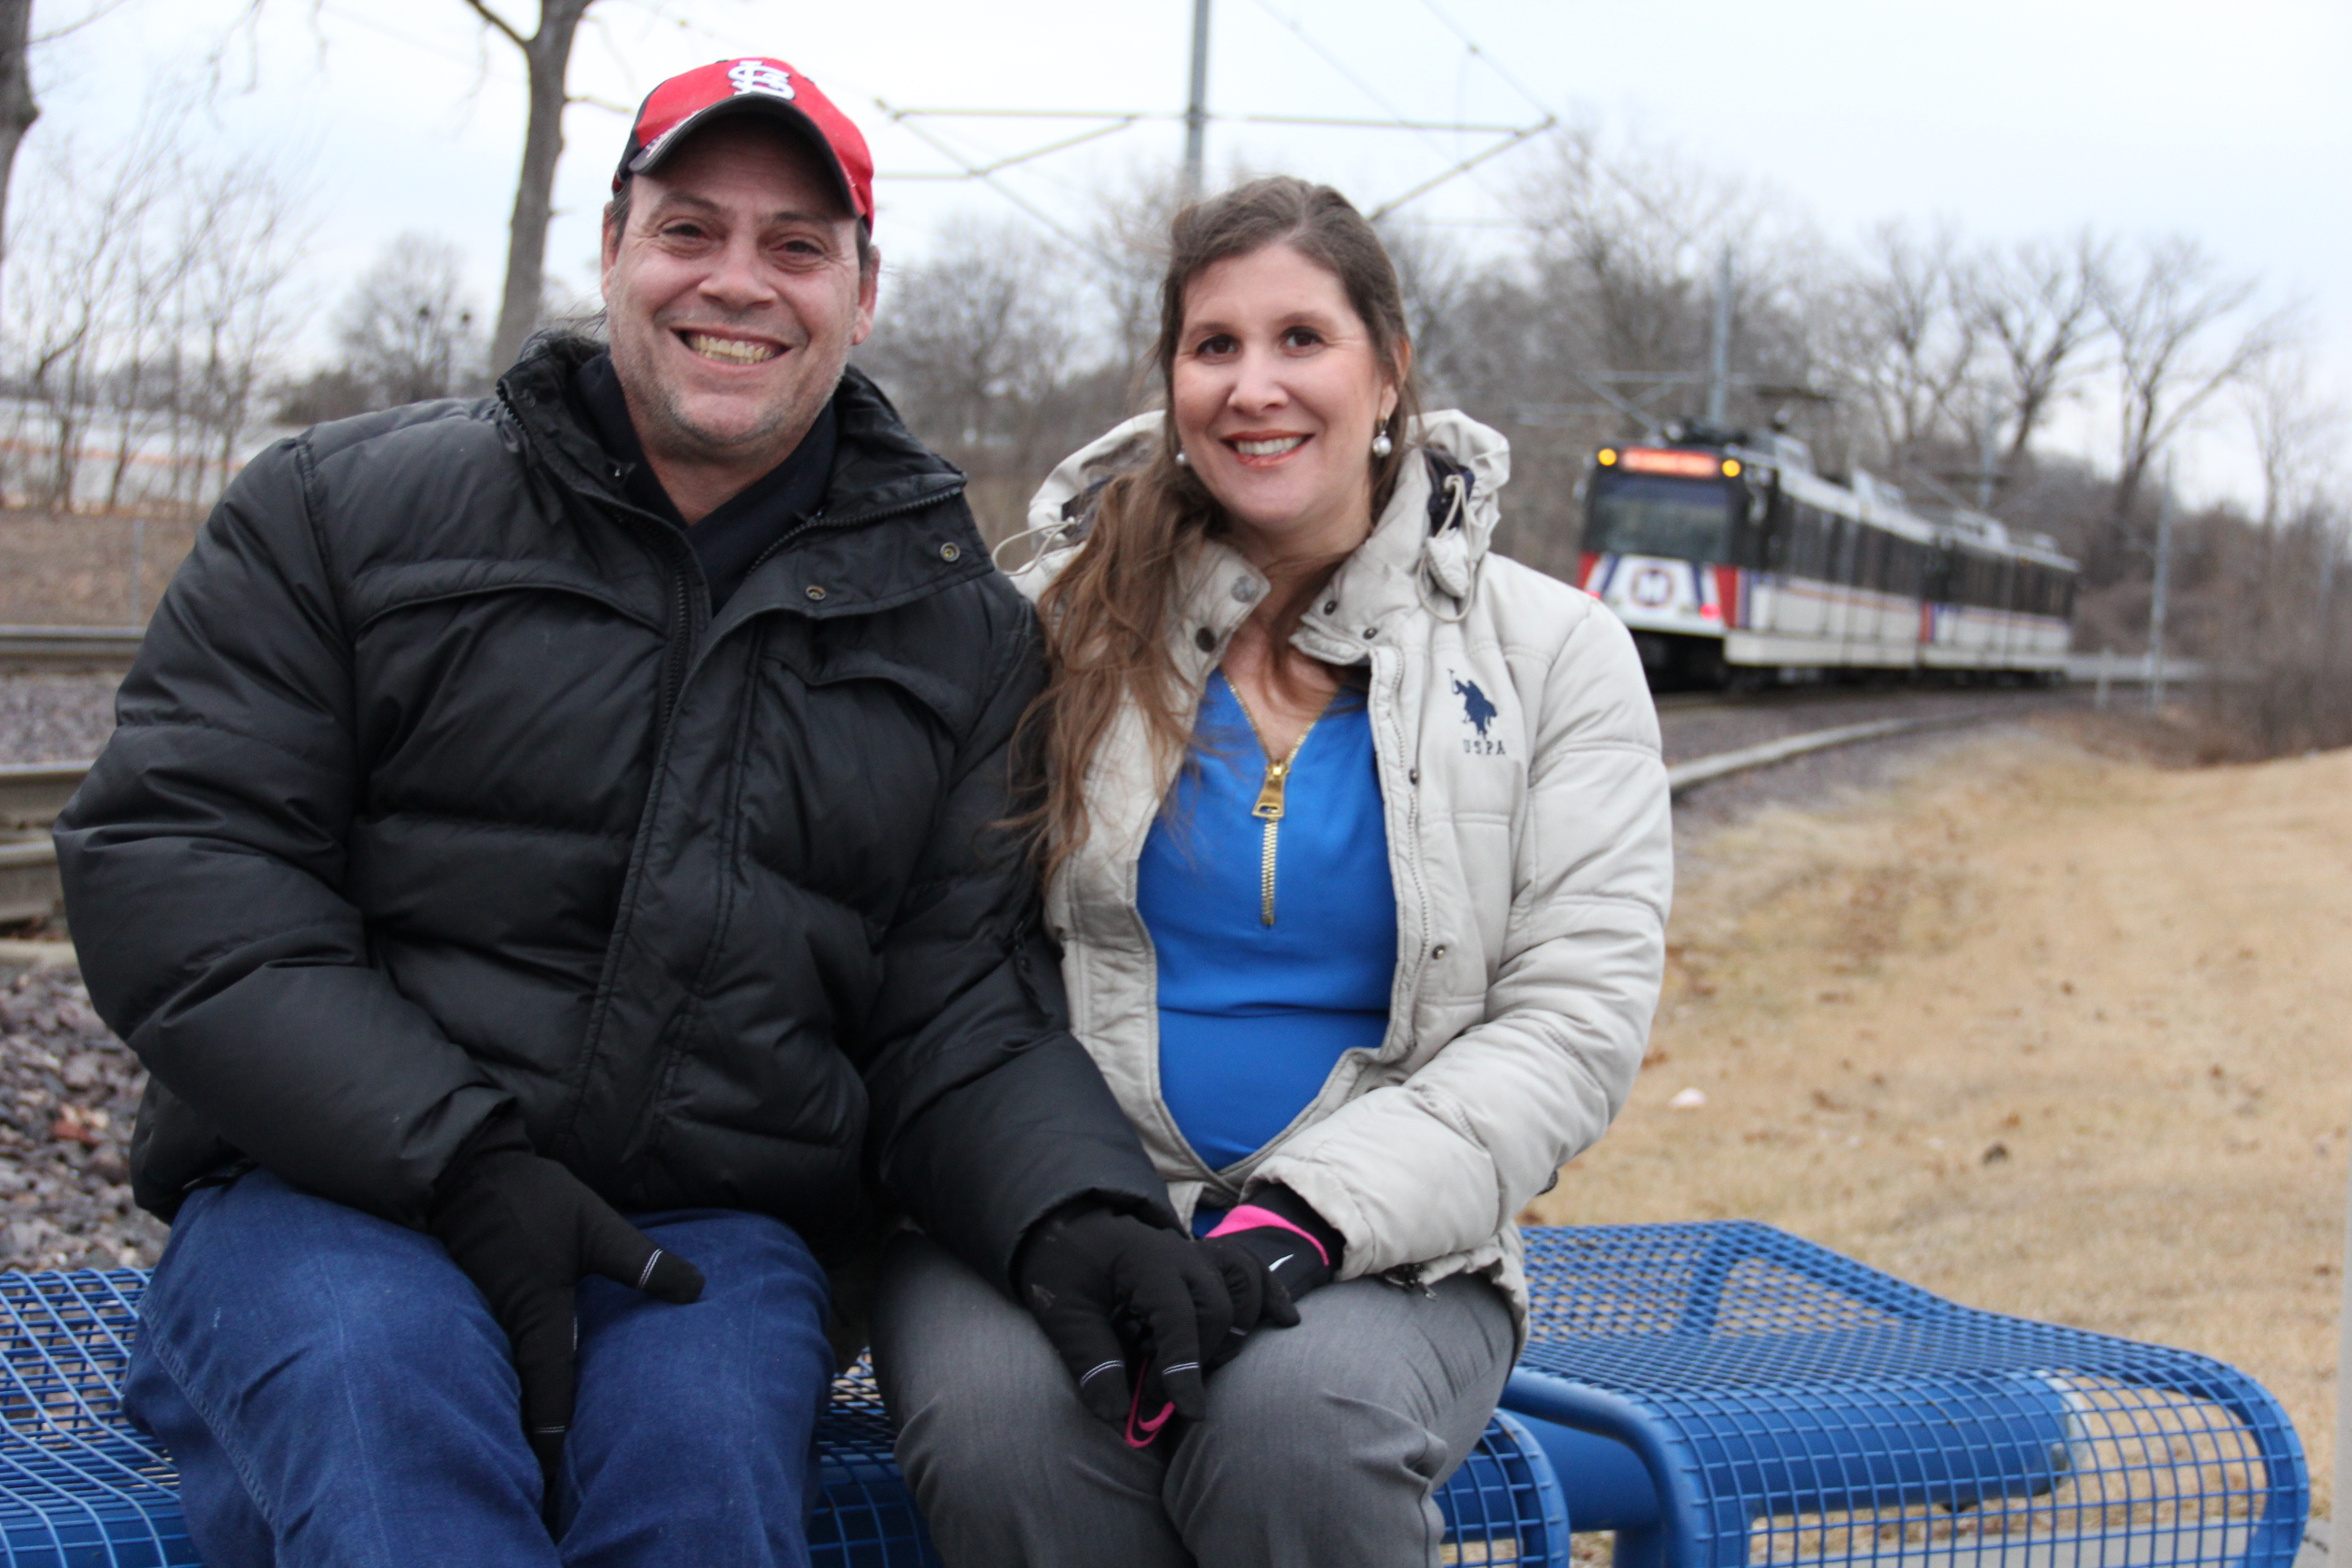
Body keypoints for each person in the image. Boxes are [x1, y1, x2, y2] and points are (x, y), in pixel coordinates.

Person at [54, 57, 1221, 1568]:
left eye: (796, 245)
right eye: (689, 230)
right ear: (612, 248)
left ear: (862, 296)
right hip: (331, 1189)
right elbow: (183, 865)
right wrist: (462, 1161)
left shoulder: (957, 634)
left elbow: (951, 1003)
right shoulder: (338, 512)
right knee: (394, 1453)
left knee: (703, 1489)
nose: (738, 281)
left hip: (709, 1233)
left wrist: (1076, 1207)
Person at [871, 176, 1675, 1566]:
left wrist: (1304, 1220)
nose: (1255, 387)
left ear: (1389, 371)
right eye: (1215, 345)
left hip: (1384, 1243)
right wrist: (1067, 1209)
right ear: (1172, 380)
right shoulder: (1046, 631)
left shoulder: (1553, 655)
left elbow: (1574, 1016)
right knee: (1009, 1436)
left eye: (1302, 338)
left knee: (1294, 1432)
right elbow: (943, 964)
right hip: (1047, 1207)